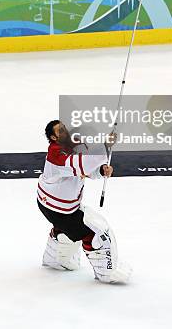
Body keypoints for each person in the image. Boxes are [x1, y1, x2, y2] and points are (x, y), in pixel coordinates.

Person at [38, 119, 131, 283]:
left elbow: (86, 170)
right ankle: (107, 273)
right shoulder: (56, 154)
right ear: (53, 138)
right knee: (97, 233)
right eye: (60, 131)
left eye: (64, 128)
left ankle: (57, 256)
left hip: (53, 205)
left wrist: (101, 170)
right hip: (59, 209)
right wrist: (105, 146)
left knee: (68, 230)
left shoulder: (71, 147)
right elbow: (80, 165)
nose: (65, 132)